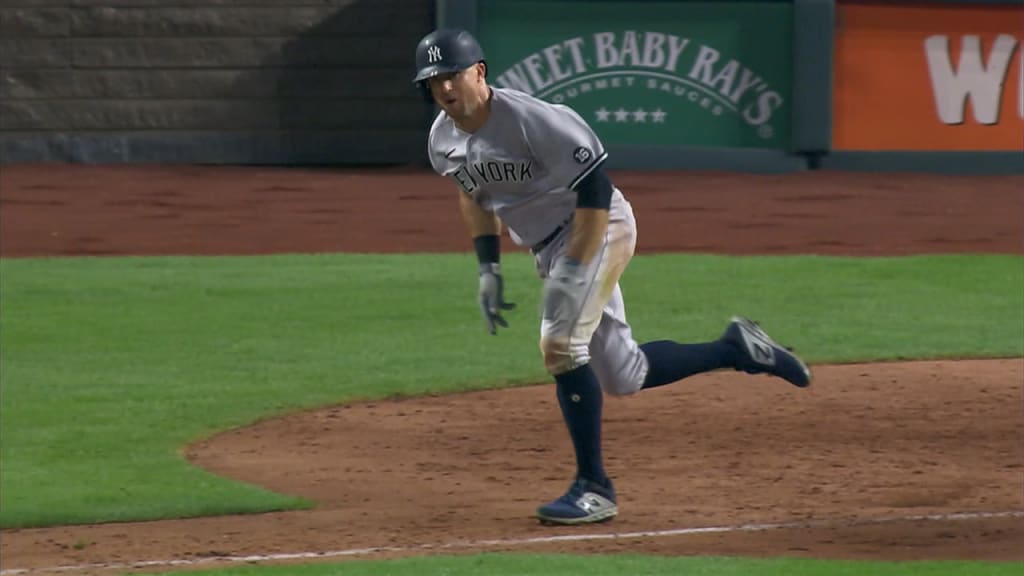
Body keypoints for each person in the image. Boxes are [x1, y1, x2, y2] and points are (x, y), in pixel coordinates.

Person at [413, 28, 812, 526]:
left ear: (479, 71)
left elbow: (596, 191)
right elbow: (473, 195)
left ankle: (594, 487)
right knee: (624, 375)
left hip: (598, 227)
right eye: (434, 81)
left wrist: (575, 271)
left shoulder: (534, 121)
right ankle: (738, 348)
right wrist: (488, 267)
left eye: (453, 75)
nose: (446, 89)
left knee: (559, 345)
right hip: (548, 245)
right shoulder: (441, 140)